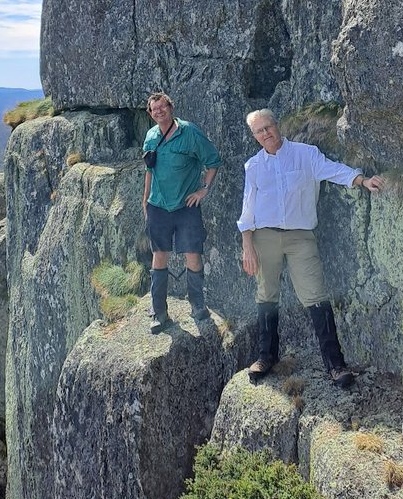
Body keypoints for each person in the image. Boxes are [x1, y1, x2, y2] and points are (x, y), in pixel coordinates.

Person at [237, 108, 385, 387]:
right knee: (266, 294)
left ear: (276, 125)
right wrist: (248, 246)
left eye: (268, 127)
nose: (265, 134)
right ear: (254, 136)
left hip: (300, 236)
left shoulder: (306, 154)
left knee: (316, 295)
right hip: (264, 237)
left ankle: (336, 365)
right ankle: (266, 357)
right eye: (259, 131)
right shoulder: (253, 166)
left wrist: (362, 180)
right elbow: (248, 209)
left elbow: (333, 170)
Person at [142, 91, 223, 333]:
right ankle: (159, 312)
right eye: (154, 109)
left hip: (186, 207)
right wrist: (145, 200)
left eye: (162, 107)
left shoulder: (190, 132)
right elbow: (149, 169)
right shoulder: (151, 135)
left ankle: (197, 305)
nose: (158, 112)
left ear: (171, 107)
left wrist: (203, 191)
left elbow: (213, 161)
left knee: (193, 255)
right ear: (150, 113)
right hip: (158, 206)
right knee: (159, 256)